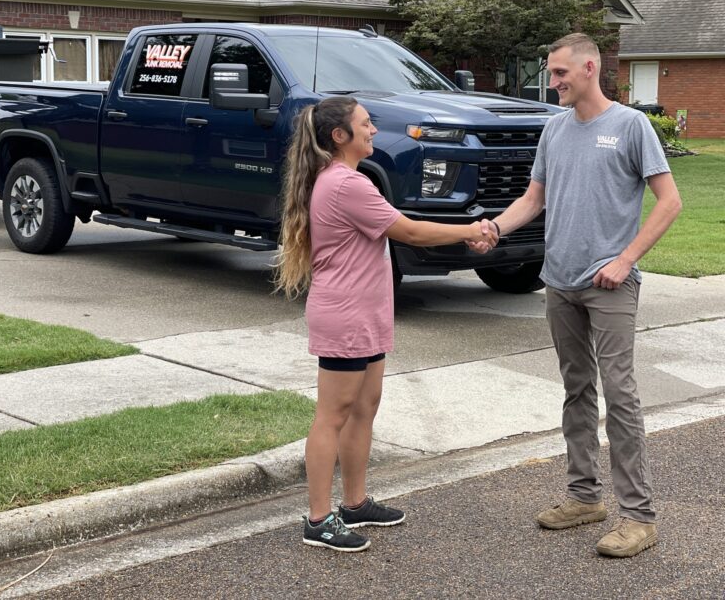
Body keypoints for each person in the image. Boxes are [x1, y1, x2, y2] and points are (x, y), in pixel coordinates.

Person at [469, 33, 682, 558]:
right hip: (559, 281)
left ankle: (639, 516)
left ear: (590, 68)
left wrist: (625, 259)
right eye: (551, 72)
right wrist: (495, 227)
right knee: (576, 390)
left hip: (609, 284)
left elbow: (669, 201)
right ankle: (584, 496)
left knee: (621, 396)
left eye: (560, 72)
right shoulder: (555, 129)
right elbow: (533, 198)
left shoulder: (630, 126)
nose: (554, 81)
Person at [275, 95, 498, 552]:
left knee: (364, 409)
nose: (373, 130)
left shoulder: (346, 179)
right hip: (346, 315)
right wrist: (472, 229)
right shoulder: (344, 185)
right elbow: (411, 232)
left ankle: (354, 503)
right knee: (332, 416)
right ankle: (318, 519)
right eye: (365, 124)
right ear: (340, 137)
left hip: (366, 313)